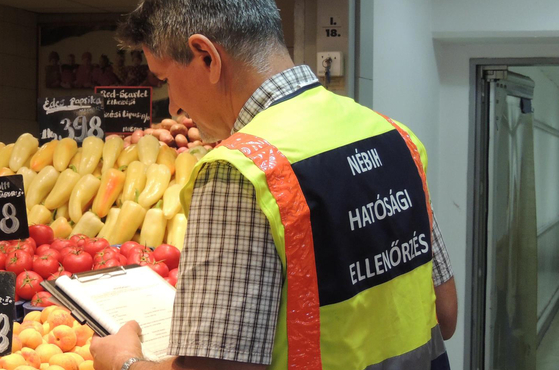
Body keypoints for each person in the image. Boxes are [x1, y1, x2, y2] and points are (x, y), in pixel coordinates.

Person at [90, 1, 458, 370]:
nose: (173, 106)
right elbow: (445, 312)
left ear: (206, 57)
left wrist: (123, 361)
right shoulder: (395, 136)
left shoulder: (240, 171)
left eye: (165, 78)